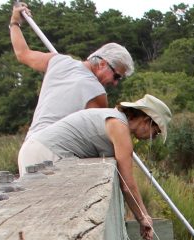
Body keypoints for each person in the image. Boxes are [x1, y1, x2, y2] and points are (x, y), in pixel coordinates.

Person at [23, 95, 172, 240]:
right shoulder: (119, 126)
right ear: (147, 121)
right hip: (45, 155)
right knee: (51, 220)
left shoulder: (113, 118)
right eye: (156, 132)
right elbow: (127, 184)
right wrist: (143, 217)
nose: (153, 137)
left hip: (37, 149)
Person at [10, 2, 135, 173]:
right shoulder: (96, 93)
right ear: (103, 64)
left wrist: (15, 23)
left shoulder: (58, 61)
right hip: (54, 152)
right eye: (116, 76)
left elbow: (22, 54)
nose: (115, 83)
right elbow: (103, 135)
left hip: (28, 149)